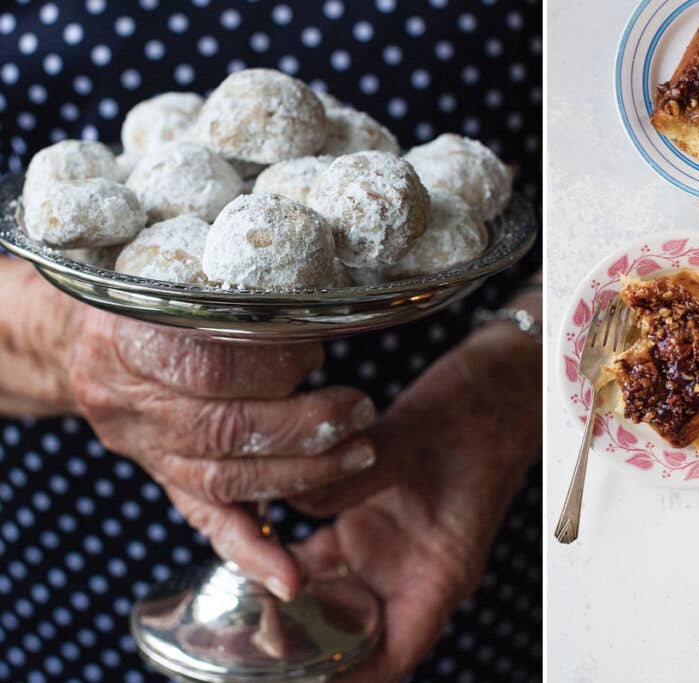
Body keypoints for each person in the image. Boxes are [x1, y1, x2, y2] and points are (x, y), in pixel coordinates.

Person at [0, 3, 541, 681]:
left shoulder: (345, 164)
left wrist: (514, 378)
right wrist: (56, 337)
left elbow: (650, 199)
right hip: (72, 541)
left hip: (449, 487)